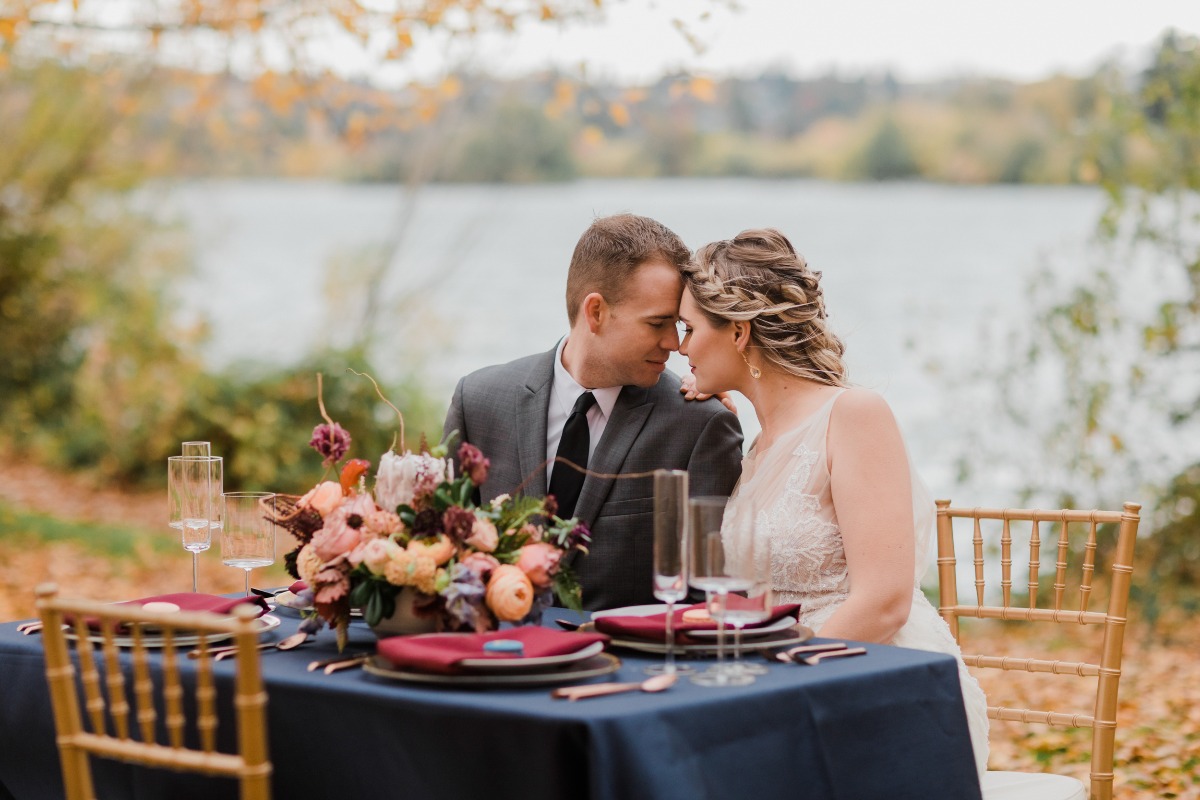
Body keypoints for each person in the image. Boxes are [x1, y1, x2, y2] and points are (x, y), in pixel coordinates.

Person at [677, 228, 989, 775]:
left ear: (740, 331)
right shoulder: (757, 444)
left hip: (878, 678)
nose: (680, 346)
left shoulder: (854, 416)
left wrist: (776, 685)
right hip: (790, 682)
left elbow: (886, 600)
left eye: (690, 328)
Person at [443, 213, 743, 611]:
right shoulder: (478, 400)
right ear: (596, 312)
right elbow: (441, 553)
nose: (674, 343)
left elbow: (710, 601)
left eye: (679, 325)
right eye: (657, 323)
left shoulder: (700, 424)